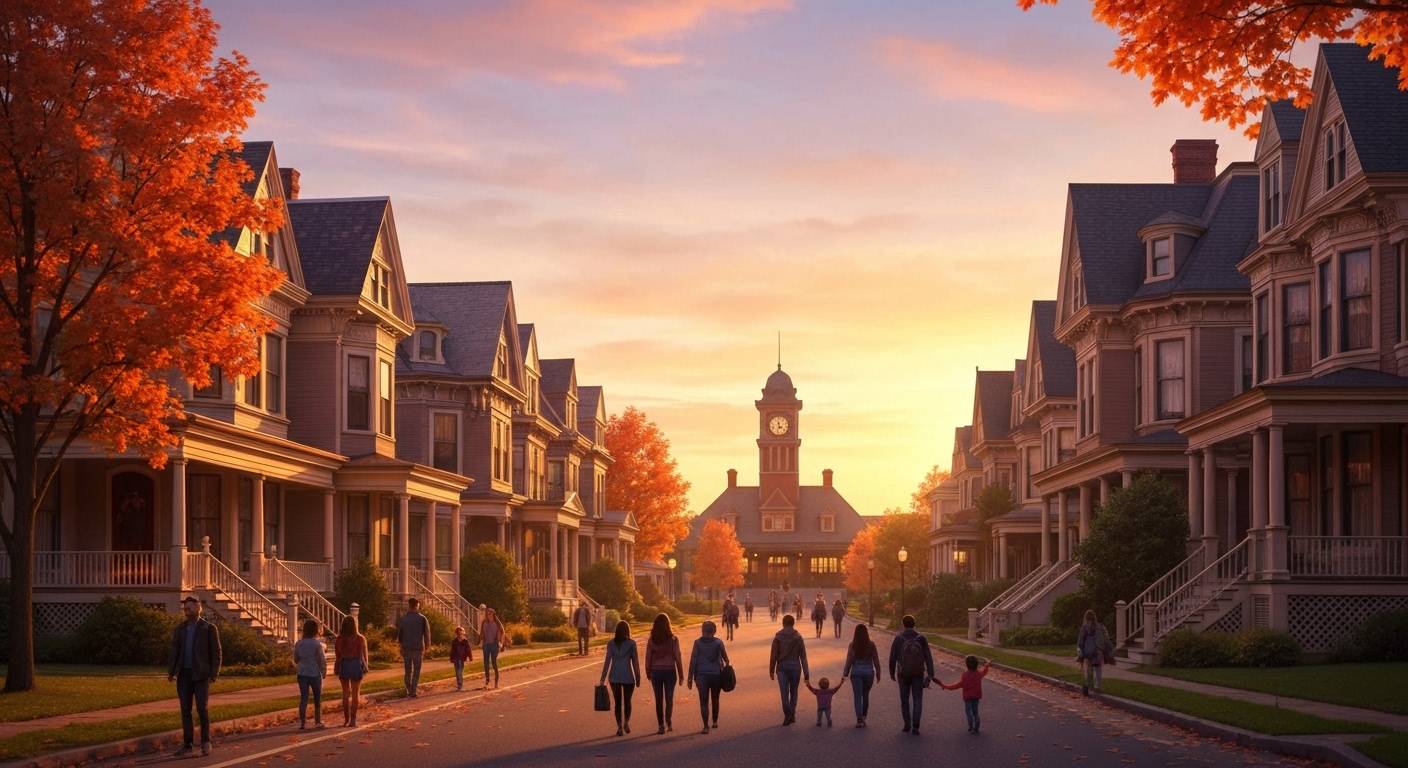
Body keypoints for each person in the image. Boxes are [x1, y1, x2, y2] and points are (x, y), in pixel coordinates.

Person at [167, 596, 221, 758]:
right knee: (185, 711)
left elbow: (216, 653)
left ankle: (205, 742)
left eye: (189, 607)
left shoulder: (208, 628)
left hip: (201, 675)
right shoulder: (180, 629)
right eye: (185, 607)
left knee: (202, 709)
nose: (186, 609)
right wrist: (172, 672)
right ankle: (188, 744)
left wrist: (214, 673)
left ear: (198, 609)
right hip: (184, 675)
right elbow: (174, 651)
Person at [888, 614, 936, 735]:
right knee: (917, 698)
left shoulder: (898, 638)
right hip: (918, 672)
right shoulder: (921, 638)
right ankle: (916, 725)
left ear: (903, 624)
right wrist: (930, 673)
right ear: (914, 624)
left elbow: (892, 657)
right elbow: (928, 656)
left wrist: (892, 672)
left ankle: (906, 724)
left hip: (903, 673)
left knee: (904, 698)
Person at [686, 620, 730, 734]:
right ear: (714, 631)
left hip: (702, 676)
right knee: (715, 700)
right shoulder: (718, 643)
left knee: (703, 701)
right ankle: (714, 721)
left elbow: (693, 661)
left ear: (702, 631)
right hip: (716, 675)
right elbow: (726, 660)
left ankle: (706, 726)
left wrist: (690, 678)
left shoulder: (697, 643)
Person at [643, 613, 684, 734]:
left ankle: (661, 725)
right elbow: (678, 657)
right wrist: (681, 674)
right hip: (670, 672)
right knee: (669, 698)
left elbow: (648, 657)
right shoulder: (673, 640)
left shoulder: (652, 640)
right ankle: (668, 720)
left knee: (658, 699)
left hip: (656, 672)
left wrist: (648, 671)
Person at [599, 620, 641, 737]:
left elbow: (607, 661)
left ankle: (619, 727)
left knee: (618, 703)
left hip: (614, 675)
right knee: (627, 701)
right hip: (628, 675)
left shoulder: (611, 644)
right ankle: (626, 721)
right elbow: (635, 662)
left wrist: (603, 678)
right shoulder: (632, 644)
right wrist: (638, 676)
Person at [768, 614, 809, 725]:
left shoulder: (778, 637)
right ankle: (792, 713)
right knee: (794, 691)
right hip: (795, 667)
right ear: (793, 623)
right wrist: (806, 673)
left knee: (784, 692)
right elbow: (803, 656)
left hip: (782, 668)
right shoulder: (798, 637)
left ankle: (787, 714)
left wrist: (771, 669)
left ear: (783, 623)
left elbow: (774, 655)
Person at [839, 623, 881, 727]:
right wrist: (878, 673)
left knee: (857, 696)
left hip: (856, 673)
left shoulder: (852, 645)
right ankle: (864, 716)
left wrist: (845, 673)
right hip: (868, 673)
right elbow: (876, 660)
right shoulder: (871, 645)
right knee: (865, 694)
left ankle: (859, 719)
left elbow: (849, 661)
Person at [937, 655, 991, 733]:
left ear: (967, 665)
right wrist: (987, 665)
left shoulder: (965, 676)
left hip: (968, 697)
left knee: (968, 711)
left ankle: (971, 726)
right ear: (976, 664)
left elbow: (956, 686)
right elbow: (984, 671)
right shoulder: (979, 674)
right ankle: (977, 722)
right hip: (976, 696)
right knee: (975, 711)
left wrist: (945, 686)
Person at [334, 615, 369, 727]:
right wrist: (365, 667)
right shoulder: (360, 638)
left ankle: (346, 719)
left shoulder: (339, 639)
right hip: (355, 664)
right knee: (355, 694)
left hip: (344, 664)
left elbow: (337, 655)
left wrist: (337, 667)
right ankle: (353, 720)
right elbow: (364, 655)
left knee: (345, 693)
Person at [293, 619, 326, 730]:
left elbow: (296, 658)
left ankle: (302, 723)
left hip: (302, 673)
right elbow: (321, 660)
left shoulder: (299, 644)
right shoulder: (317, 644)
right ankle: (318, 721)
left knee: (304, 697)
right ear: (315, 630)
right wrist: (323, 672)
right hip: (314, 673)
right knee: (317, 698)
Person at [396, 598, 432, 697]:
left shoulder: (403, 619)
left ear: (409, 606)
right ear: (417, 606)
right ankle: (413, 690)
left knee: (407, 671)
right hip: (418, 647)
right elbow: (427, 633)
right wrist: (427, 645)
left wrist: (401, 645)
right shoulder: (422, 618)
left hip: (406, 647)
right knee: (416, 670)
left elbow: (400, 634)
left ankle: (408, 688)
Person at [1076, 610, 1114, 696]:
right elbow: (1106, 639)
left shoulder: (1085, 627)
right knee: (1097, 668)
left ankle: (1088, 685)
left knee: (1088, 669)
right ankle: (1097, 686)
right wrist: (1108, 651)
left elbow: (1080, 641)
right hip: (1098, 652)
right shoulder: (1100, 627)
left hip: (1088, 652)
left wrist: (1080, 654)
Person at [479, 607, 510, 689]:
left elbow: (502, 632)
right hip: (486, 644)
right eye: (488, 613)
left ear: (493, 614)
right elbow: (482, 632)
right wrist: (481, 640)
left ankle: (496, 683)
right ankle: (487, 681)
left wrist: (500, 642)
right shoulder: (484, 622)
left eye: (491, 613)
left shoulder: (497, 623)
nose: (489, 615)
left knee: (494, 663)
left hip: (494, 644)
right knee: (486, 664)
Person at [449, 626, 474, 691]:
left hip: (462, 658)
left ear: (463, 634)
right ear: (457, 634)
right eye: (458, 634)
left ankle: (460, 684)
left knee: (460, 671)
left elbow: (468, 650)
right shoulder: (455, 641)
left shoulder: (465, 641)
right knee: (457, 672)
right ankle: (459, 684)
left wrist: (470, 657)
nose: (460, 635)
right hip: (456, 658)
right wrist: (451, 658)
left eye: (461, 634)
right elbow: (452, 650)